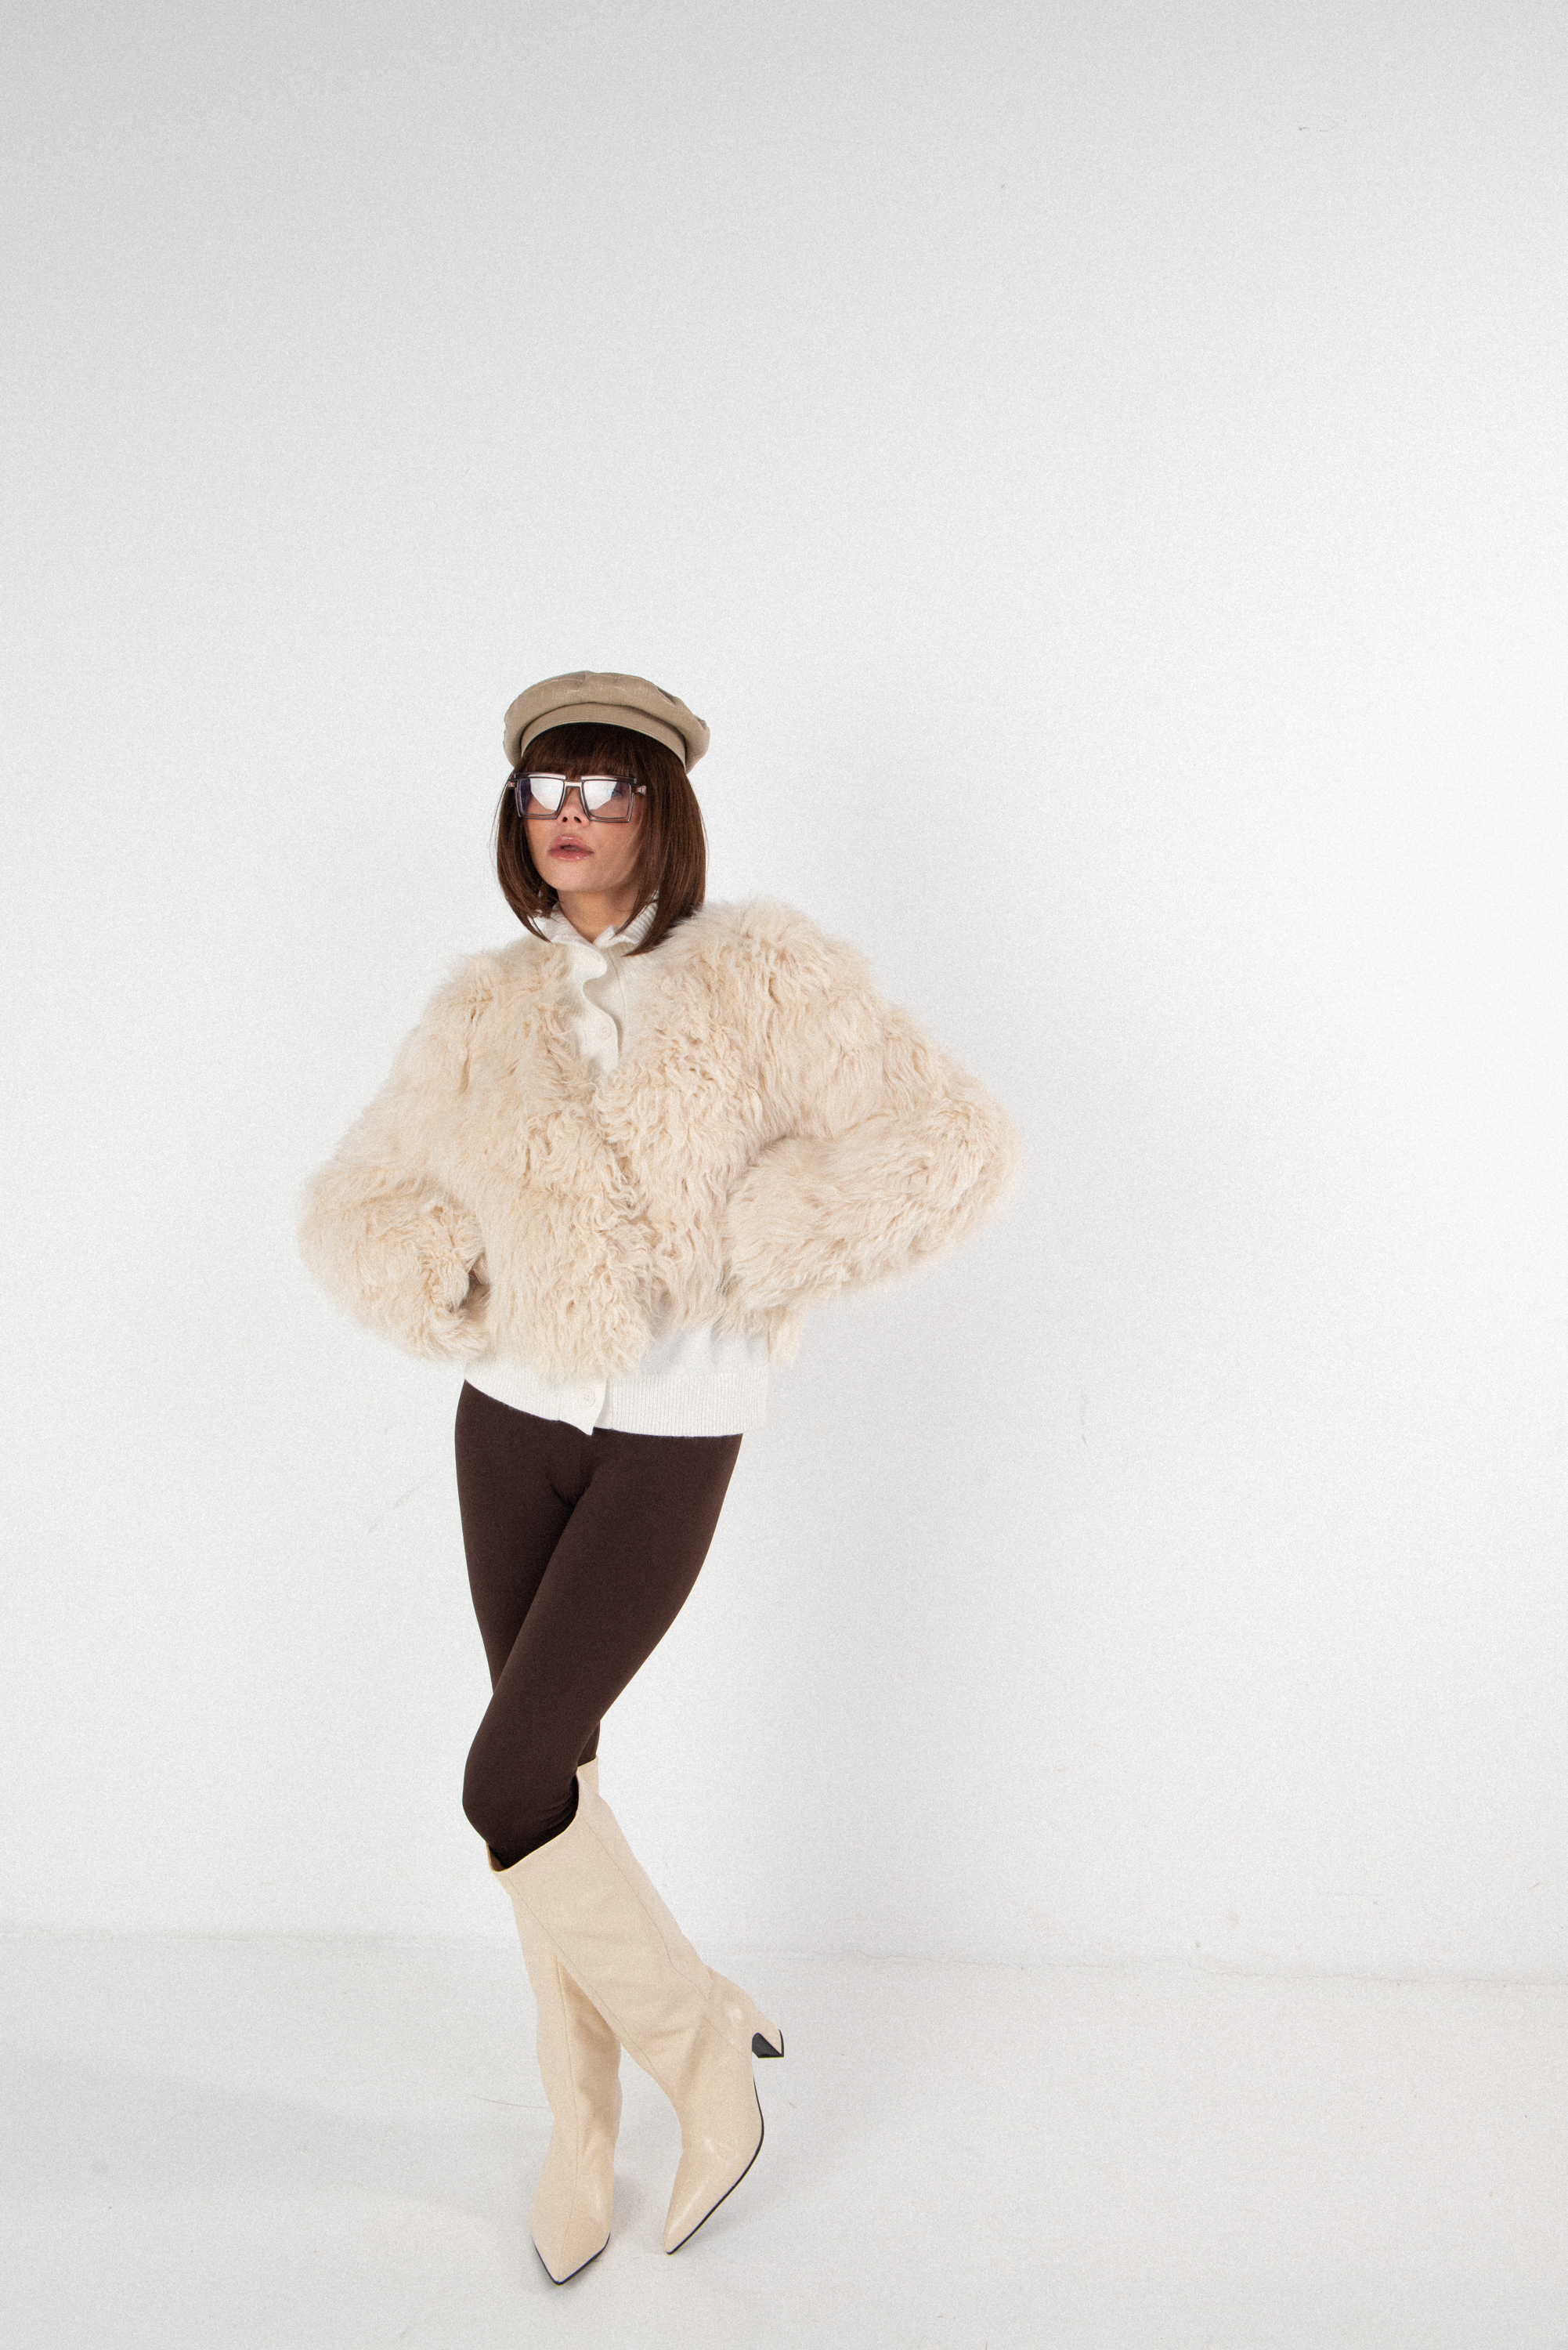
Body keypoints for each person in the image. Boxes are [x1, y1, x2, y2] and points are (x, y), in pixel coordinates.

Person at [296, 670, 1021, 2282]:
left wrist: (771, 1243)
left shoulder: (765, 976)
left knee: (501, 1783)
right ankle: (580, 2126)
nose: (566, 818)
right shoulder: (479, 1009)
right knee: (549, 1778)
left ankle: (701, 2062)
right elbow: (357, 1193)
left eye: (600, 789)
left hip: (673, 1427)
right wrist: (446, 1268)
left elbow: (947, 1140)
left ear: (658, 811)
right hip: (509, 1417)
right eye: (541, 790)